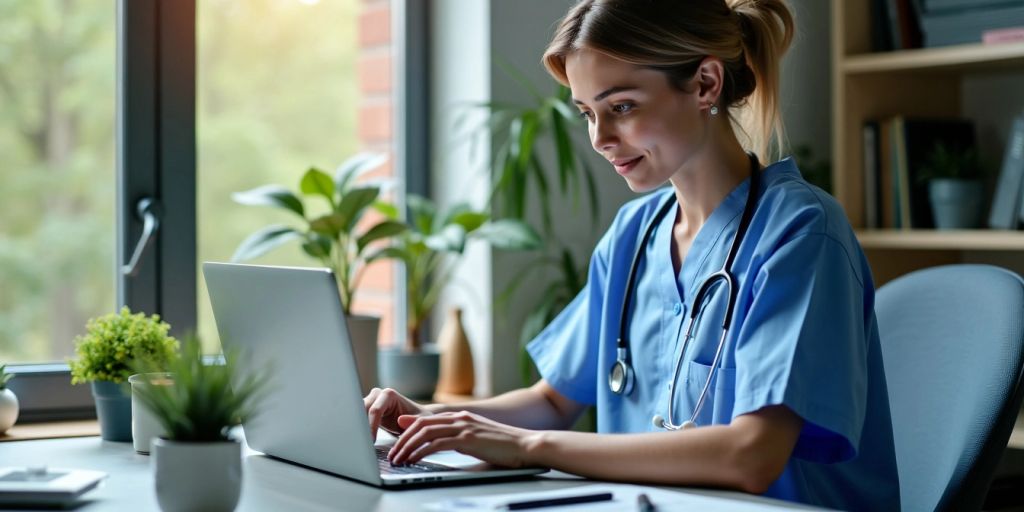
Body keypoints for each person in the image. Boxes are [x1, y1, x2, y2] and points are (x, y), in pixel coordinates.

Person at [364, 0, 900, 509]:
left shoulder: (801, 234)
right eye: (587, 113)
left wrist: (528, 447)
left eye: (622, 107)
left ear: (705, 85)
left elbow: (751, 454)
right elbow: (552, 402)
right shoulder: (634, 233)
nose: (600, 138)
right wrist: (428, 419)